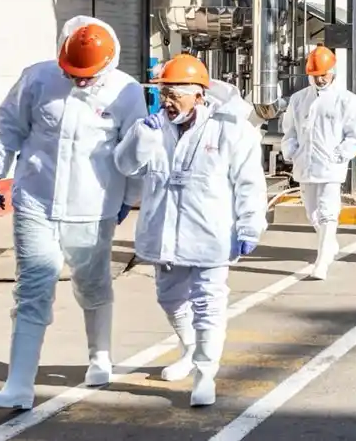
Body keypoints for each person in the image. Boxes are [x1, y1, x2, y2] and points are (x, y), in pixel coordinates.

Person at [0, 16, 147, 411]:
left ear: (107, 64)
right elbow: (9, 126)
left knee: (92, 282)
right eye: (73, 74)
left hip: (93, 205)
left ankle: (100, 357)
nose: (80, 82)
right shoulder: (37, 79)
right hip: (36, 200)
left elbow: (135, 149)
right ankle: (18, 385)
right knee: (33, 286)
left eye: (88, 76)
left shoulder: (126, 92)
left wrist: (130, 196)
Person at [113, 53, 267, 408]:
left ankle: (205, 374)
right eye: (164, 93)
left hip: (211, 233)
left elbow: (249, 182)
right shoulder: (152, 127)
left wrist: (249, 224)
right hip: (164, 232)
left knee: (208, 305)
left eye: (175, 94)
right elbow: (125, 166)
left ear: (199, 95)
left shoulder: (229, 128)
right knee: (169, 299)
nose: (167, 101)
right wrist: (141, 139)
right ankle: (188, 348)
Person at [280, 45, 356, 280]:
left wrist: (340, 155)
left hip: (331, 167)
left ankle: (322, 261)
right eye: (315, 75)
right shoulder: (298, 100)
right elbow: (289, 132)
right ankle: (330, 243)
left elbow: (355, 135)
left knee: (328, 212)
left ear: (333, 72)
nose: (319, 79)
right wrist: (292, 151)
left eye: (323, 75)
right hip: (305, 166)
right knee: (313, 213)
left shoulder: (346, 101)